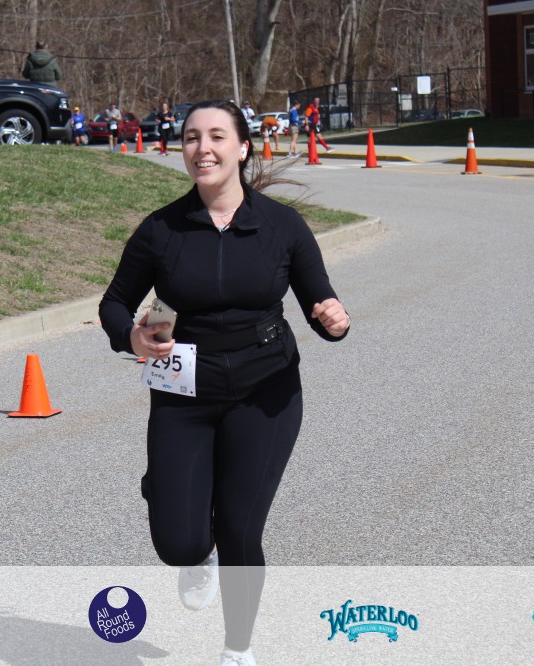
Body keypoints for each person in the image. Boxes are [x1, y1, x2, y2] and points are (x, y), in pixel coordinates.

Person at [98, 99, 349, 666]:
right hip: (183, 390)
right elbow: (114, 303)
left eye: (216, 136)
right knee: (178, 542)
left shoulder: (281, 226)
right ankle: (187, 534)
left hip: (266, 390)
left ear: (242, 147)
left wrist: (333, 320)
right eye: (191, 137)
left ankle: (238, 649)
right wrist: (132, 337)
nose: (202, 148)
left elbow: (321, 303)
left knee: (239, 527)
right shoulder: (161, 229)